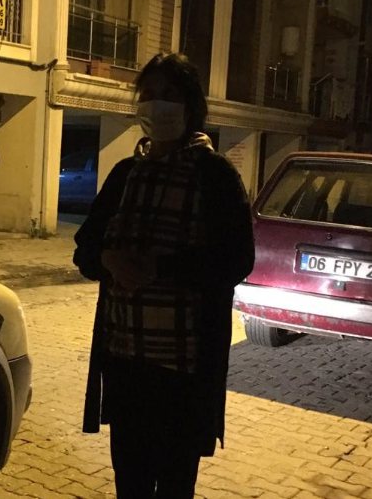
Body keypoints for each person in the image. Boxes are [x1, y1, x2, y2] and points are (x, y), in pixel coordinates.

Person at [73, 53, 255, 498]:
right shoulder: (125, 174)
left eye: (170, 95)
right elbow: (85, 249)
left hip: (183, 372)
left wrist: (160, 268)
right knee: (130, 485)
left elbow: (237, 260)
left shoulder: (215, 176)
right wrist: (109, 260)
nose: (157, 104)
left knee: (174, 487)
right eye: (150, 94)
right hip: (126, 364)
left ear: (191, 106)